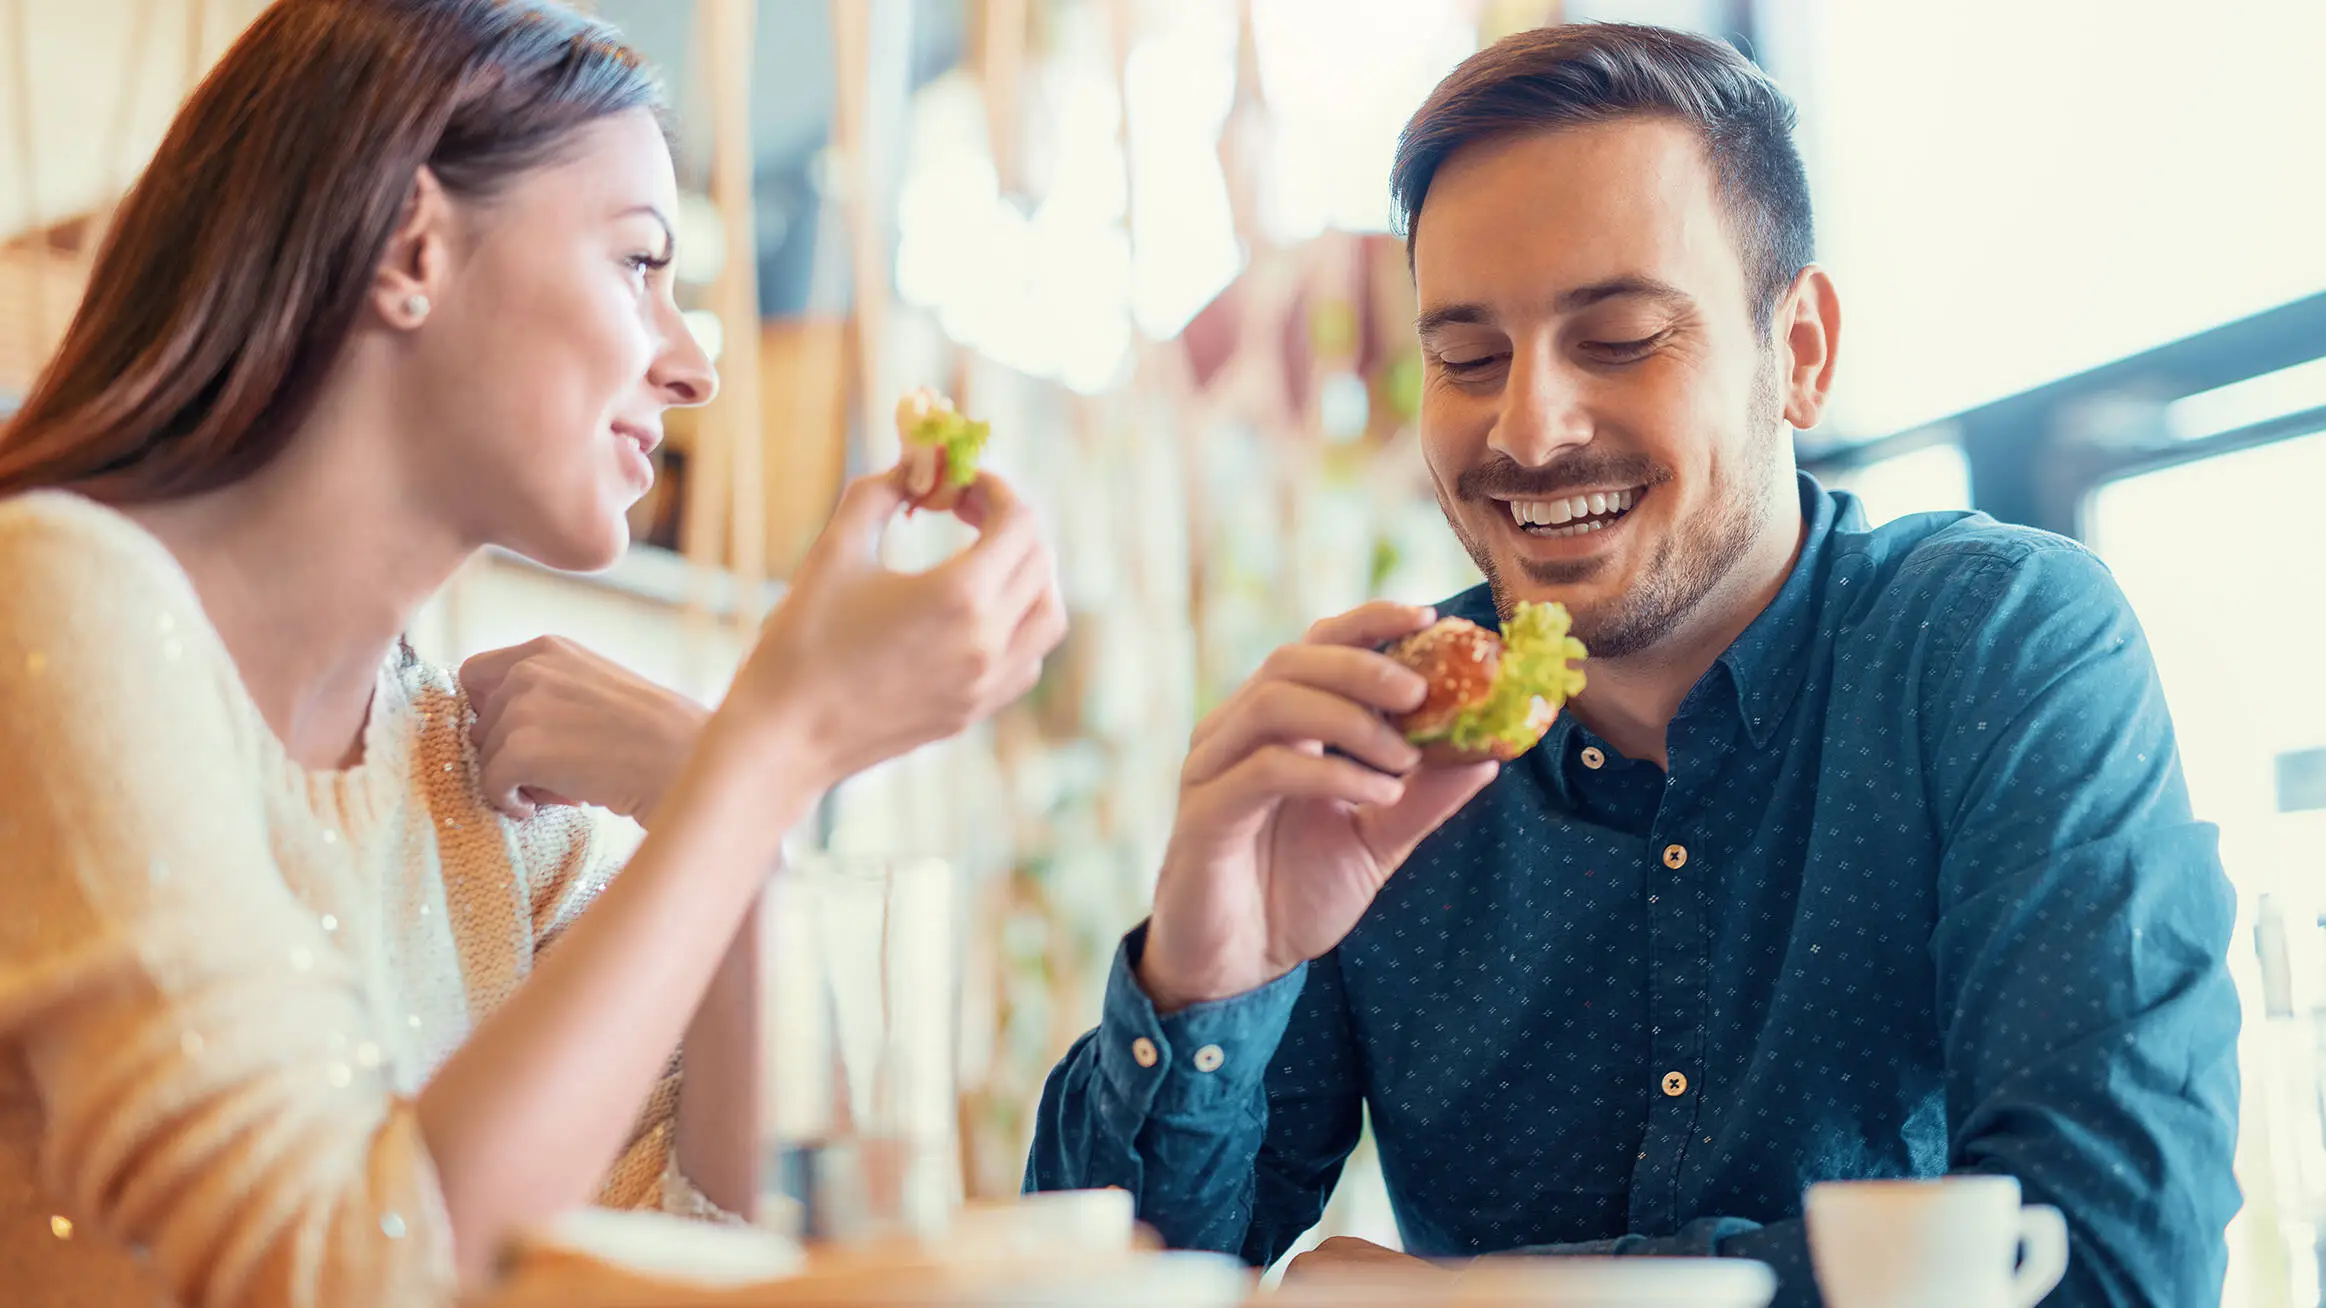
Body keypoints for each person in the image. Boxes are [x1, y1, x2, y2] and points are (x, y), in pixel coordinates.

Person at [1024, 23, 2238, 1307]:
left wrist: (1463, 1298)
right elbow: (1106, 1287)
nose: (1526, 429)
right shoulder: (1374, 750)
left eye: (1617, 339)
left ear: (1802, 353)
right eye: (1466, 359)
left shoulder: (1996, 647)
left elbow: (2109, 1257)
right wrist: (1207, 979)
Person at [0, 3, 1064, 1307]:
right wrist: (769, 749)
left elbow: (707, 1255)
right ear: (411, 248)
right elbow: (339, 1273)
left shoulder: (477, 791)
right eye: (639, 265)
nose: (693, 370)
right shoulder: (50, 598)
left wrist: (735, 822)